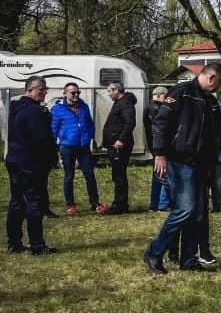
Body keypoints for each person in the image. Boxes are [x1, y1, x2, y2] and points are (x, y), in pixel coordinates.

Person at [143, 63, 221, 273]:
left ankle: (188, 259)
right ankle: (154, 253)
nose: (219, 87)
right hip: (180, 161)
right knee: (185, 209)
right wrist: (160, 154)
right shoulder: (181, 93)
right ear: (211, 78)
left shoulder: (210, 102)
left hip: (201, 163)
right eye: (219, 82)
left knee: (198, 213)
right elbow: (161, 124)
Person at [6, 76, 58, 254]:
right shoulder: (35, 112)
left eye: (45, 89)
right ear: (30, 90)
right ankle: (37, 245)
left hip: (14, 158)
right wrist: (51, 158)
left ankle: (14, 242)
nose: (44, 92)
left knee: (16, 202)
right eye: (41, 89)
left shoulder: (15, 109)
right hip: (30, 162)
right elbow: (41, 139)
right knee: (33, 203)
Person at [50, 82, 107, 215]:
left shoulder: (84, 107)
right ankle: (70, 205)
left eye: (78, 92)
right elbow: (53, 129)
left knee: (89, 174)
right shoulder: (57, 109)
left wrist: (90, 137)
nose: (76, 95)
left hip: (83, 147)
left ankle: (95, 203)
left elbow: (90, 124)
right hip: (67, 147)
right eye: (73, 93)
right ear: (65, 94)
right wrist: (54, 146)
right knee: (69, 175)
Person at [102, 82, 137, 215]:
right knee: (117, 174)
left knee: (119, 175)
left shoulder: (125, 103)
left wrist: (120, 139)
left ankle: (119, 205)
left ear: (117, 90)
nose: (109, 94)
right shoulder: (119, 103)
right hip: (114, 144)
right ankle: (121, 204)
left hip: (120, 146)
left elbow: (130, 123)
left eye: (110, 91)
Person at [144, 86, 172, 212]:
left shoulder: (148, 107)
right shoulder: (157, 109)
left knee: (157, 176)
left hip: (153, 145)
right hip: (159, 147)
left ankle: (155, 203)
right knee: (162, 175)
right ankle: (161, 204)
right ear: (161, 95)